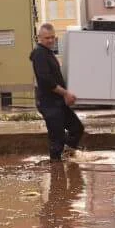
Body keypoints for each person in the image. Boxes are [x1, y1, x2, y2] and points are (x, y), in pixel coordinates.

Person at [30, 23, 84, 161]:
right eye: (47, 38)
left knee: (77, 128)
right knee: (57, 139)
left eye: (52, 37)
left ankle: (67, 156)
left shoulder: (48, 53)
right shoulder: (39, 53)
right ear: (39, 38)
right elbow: (46, 81)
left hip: (58, 102)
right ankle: (56, 168)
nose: (50, 40)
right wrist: (65, 93)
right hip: (49, 103)